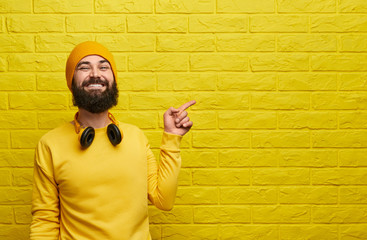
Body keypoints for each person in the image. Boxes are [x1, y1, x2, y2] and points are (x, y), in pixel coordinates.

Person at [30, 41, 195, 240]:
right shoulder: (50, 145)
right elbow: (45, 221)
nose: (95, 74)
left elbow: (164, 200)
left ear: (113, 79)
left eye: (103, 66)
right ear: (71, 82)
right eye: (84, 67)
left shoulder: (135, 137)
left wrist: (172, 138)